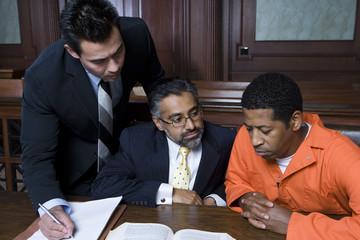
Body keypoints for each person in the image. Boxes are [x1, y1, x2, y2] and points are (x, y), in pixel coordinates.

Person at [20, 0, 164, 238]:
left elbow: (157, 85)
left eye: (118, 52)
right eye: (99, 61)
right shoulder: (43, 77)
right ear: (72, 51)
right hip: (77, 176)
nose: (114, 67)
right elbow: (36, 155)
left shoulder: (137, 34)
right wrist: (52, 207)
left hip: (127, 163)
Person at [224, 72, 360, 239]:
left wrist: (292, 224)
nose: (254, 140)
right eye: (249, 128)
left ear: (295, 121)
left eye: (265, 131)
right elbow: (235, 181)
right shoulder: (245, 136)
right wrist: (245, 198)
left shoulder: (343, 156)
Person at [92, 78, 236, 207]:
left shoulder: (225, 139)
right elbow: (103, 186)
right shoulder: (136, 140)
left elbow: (240, 181)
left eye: (194, 113)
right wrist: (169, 193)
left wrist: (214, 199)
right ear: (158, 123)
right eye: (177, 119)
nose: (191, 125)